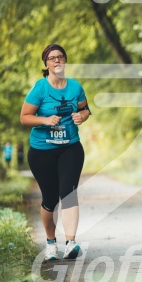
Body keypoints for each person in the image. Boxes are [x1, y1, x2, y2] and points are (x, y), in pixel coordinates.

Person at [20, 44, 91, 261]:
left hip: (70, 148)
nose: (57, 61)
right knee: (50, 199)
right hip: (42, 151)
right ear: (47, 64)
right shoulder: (40, 88)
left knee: (69, 193)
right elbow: (24, 117)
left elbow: (85, 109)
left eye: (61, 57)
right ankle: (51, 243)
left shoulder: (75, 87)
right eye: (52, 58)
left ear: (65, 60)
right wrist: (45, 120)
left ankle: (71, 242)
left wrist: (83, 116)